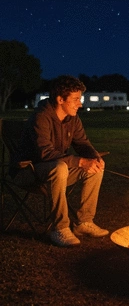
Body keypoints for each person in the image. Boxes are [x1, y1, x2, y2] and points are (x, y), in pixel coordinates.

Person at [13, 75, 109, 247]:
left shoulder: (72, 119)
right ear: (60, 99)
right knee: (60, 168)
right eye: (76, 99)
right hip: (27, 172)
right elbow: (45, 153)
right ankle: (60, 228)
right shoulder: (41, 117)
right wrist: (79, 162)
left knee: (94, 167)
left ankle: (84, 223)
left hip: (54, 171)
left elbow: (82, 143)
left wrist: (95, 157)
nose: (80, 103)